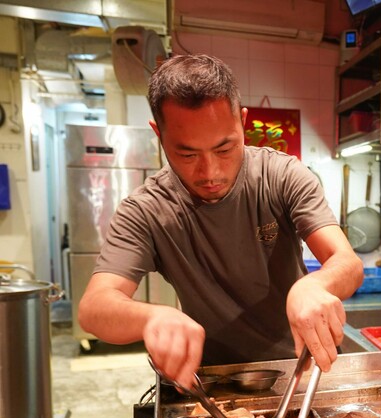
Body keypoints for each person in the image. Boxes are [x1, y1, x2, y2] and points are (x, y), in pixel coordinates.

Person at [78, 54, 364, 391]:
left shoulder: (282, 176)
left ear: (242, 122)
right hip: (218, 382)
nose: (210, 172)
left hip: (303, 371)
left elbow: (347, 262)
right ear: (158, 133)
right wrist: (151, 317)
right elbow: (94, 307)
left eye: (225, 148)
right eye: (187, 154)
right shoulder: (146, 210)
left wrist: (316, 285)